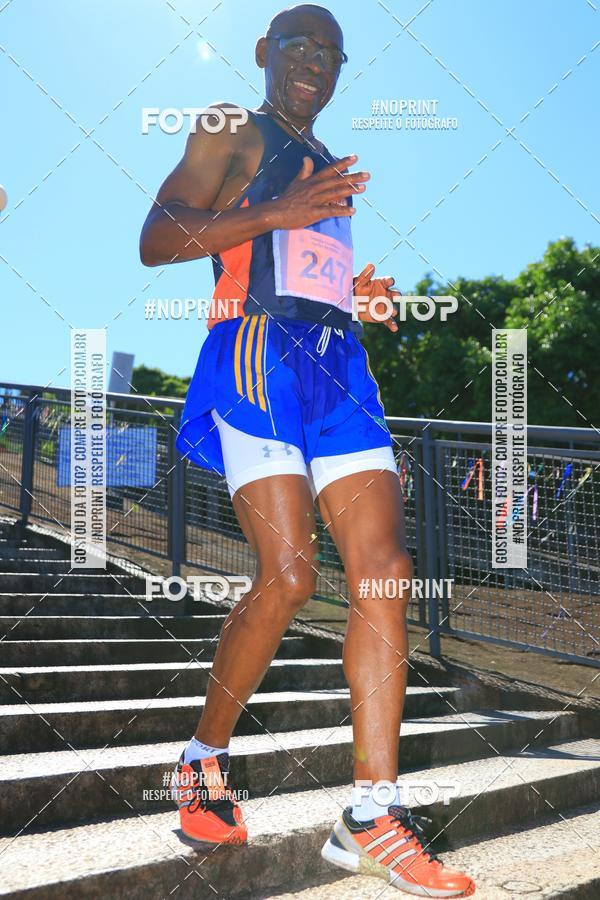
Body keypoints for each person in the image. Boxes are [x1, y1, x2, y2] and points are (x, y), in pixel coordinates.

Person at [140, 4, 474, 896]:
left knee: (386, 568)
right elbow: (158, 238)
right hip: (255, 353)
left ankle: (370, 812)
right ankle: (200, 760)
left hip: (339, 365)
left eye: (329, 53)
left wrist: (352, 292)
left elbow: (299, 264)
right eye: (297, 44)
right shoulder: (229, 128)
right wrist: (281, 209)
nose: (312, 62)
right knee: (289, 576)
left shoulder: (333, 168)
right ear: (263, 52)